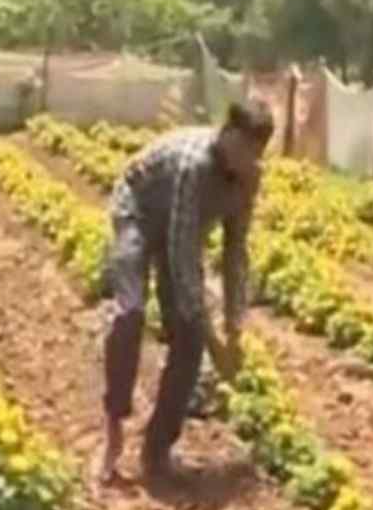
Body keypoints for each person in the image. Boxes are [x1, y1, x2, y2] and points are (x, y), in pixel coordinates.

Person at [99, 100, 273, 486]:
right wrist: (215, 340)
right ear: (226, 134)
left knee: (189, 338)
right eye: (243, 149)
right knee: (131, 313)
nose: (248, 160)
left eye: (256, 154)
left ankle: (157, 451)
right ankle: (113, 427)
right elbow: (181, 254)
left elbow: (235, 251)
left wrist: (234, 326)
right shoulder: (195, 166)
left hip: (181, 228)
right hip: (139, 211)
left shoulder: (248, 179)